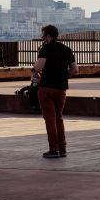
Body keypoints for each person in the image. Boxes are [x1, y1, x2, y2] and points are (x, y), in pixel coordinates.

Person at [33, 24, 76, 159]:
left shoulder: (46, 48)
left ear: (48, 35)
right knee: (59, 118)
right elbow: (75, 70)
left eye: (43, 36)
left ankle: (54, 149)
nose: (43, 39)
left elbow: (39, 67)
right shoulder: (67, 49)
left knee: (50, 120)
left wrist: (34, 66)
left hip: (46, 88)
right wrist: (64, 75)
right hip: (61, 88)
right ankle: (62, 148)